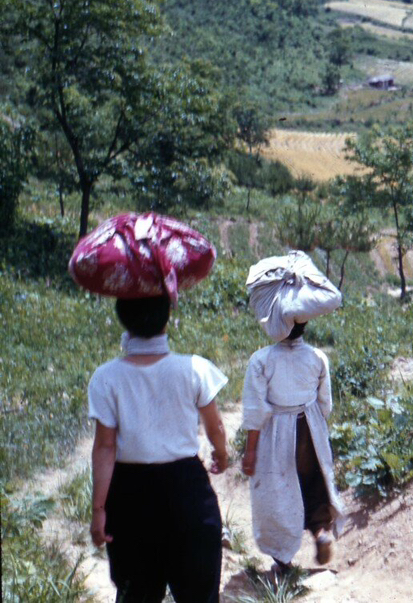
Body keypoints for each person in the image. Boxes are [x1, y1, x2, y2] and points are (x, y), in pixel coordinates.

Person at [89, 293, 229, 602]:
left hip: (129, 498)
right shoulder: (194, 368)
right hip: (187, 492)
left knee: (137, 593)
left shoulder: (106, 377)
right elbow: (215, 427)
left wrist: (99, 509)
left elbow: (104, 448)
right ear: (167, 319)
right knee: (199, 592)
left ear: (122, 319)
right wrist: (221, 454)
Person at [241, 253, 345, 572]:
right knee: (313, 484)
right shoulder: (317, 358)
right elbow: (325, 405)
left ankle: (283, 559)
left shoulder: (261, 360)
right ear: (305, 321)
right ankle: (321, 532)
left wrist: (250, 451)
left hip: (276, 434)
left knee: (278, 493)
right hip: (309, 429)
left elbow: (256, 410)